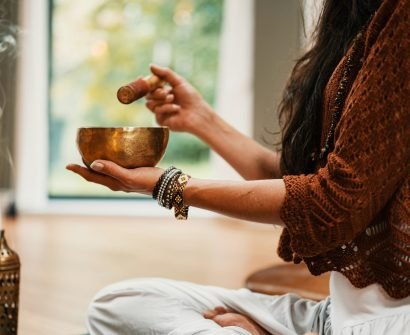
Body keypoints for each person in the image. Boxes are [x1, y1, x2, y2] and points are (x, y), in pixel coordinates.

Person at [67, 0, 409, 334]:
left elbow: (333, 203)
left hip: (388, 323)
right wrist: (202, 121)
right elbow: (300, 183)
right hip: (333, 317)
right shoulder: (358, 15)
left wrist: (167, 185)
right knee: (120, 304)